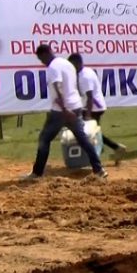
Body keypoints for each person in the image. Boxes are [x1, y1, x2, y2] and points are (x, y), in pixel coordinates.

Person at [22, 44, 107, 180]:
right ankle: (99, 169)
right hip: (76, 106)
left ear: (45, 54)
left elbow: (58, 88)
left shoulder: (53, 67)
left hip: (61, 111)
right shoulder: (67, 64)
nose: (41, 62)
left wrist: (64, 109)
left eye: (40, 58)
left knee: (44, 139)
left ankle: (37, 173)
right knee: (83, 140)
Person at [67, 53, 128, 158]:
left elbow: (90, 97)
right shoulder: (86, 72)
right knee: (93, 133)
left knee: (89, 133)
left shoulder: (84, 77)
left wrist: (88, 115)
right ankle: (111, 149)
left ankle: (114, 148)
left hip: (94, 107)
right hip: (93, 106)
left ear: (77, 63)